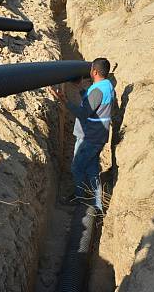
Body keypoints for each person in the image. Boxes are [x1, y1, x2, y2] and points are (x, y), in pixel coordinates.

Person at [48, 58, 114, 211]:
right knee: (91, 169)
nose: (89, 71)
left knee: (77, 167)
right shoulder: (106, 86)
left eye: (91, 69)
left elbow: (84, 113)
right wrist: (80, 89)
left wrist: (63, 101)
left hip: (90, 137)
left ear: (95, 72)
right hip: (97, 136)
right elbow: (94, 104)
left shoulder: (98, 90)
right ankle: (97, 204)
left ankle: (79, 198)